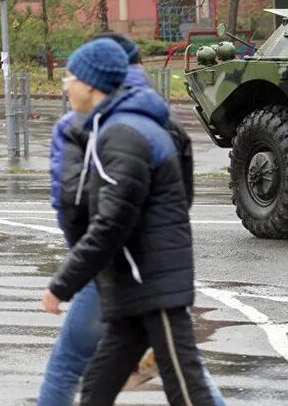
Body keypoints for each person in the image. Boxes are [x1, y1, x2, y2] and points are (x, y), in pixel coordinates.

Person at [37, 35, 223, 405]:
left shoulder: (122, 134)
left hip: (152, 285)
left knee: (188, 391)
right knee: (97, 387)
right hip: (134, 284)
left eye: (69, 78)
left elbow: (110, 221)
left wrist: (63, 283)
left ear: (90, 84)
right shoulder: (125, 126)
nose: (66, 86)